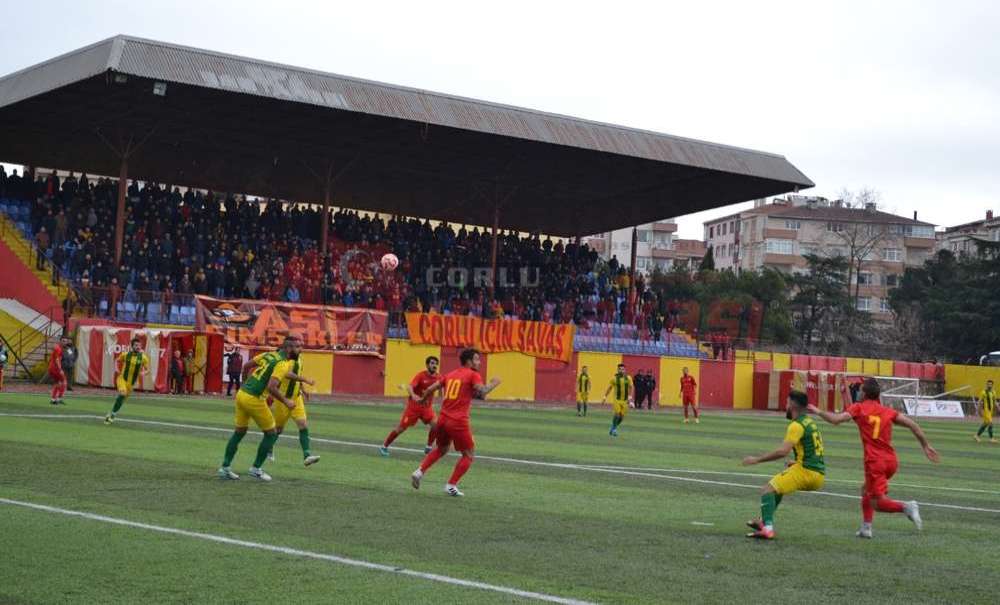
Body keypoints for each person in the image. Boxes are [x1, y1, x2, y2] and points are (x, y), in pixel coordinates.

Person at [809, 378, 939, 538]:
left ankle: (907, 506)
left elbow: (836, 420)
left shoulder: (859, 408)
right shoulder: (887, 411)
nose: (858, 392)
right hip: (891, 461)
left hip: (875, 462)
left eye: (861, 390)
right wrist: (925, 445)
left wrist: (817, 411)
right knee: (865, 490)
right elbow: (913, 425)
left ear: (864, 393)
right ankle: (866, 528)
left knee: (877, 503)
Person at [410, 348, 500, 497]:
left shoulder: (450, 374)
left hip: (443, 419)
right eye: (477, 359)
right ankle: (451, 485)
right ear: (469, 361)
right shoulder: (473, 374)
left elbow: (432, 388)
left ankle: (419, 472)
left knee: (441, 449)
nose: (479, 362)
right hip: (458, 421)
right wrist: (494, 383)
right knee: (469, 454)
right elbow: (482, 391)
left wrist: (422, 399)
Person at [742, 390, 825, 540]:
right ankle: (763, 522)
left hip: (806, 472)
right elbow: (814, 451)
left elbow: (782, 452)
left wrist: (756, 460)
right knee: (777, 489)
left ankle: (767, 529)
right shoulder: (810, 422)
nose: (785, 406)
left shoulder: (796, 425)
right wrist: (796, 462)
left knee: (767, 489)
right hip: (817, 473)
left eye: (787, 403)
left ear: (792, 405)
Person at [217, 337, 299, 482]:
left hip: (242, 395)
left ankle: (225, 467)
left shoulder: (268, 355)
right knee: (271, 433)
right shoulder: (283, 363)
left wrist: (243, 385)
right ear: (288, 349)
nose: (300, 350)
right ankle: (256, 469)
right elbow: (271, 387)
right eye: (297, 347)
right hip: (254, 398)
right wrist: (286, 401)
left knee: (239, 432)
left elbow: (246, 366)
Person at [268, 347, 320, 467]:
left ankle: (307, 456)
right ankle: (268, 449)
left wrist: (303, 390)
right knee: (278, 429)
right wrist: (305, 379)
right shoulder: (285, 361)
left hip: (296, 398)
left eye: (301, 344)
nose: (301, 347)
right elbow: (287, 374)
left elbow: (297, 376)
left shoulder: (300, 359)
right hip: (283, 400)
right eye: (298, 345)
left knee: (303, 424)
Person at [380, 356, 440, 456]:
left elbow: (443, 385)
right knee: (401, 429)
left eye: (436, 364)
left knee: (436, 425)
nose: (434, 366)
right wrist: (413, 395)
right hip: (414, 408)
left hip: (426, 408)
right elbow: (410, 386)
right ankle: (384, 446)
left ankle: (428, 447)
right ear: (427, 365)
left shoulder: (439, 377)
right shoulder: (421, 376)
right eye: (432, 363)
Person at [104, 338, 150, 424]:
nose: (138, 347)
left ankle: (112, 414)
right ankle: (112, 416)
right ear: (132, 346)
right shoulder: (126, 354)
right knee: (122, 393)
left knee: (122, 400)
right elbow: (117, 360)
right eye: (136, 345)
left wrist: (144, 373)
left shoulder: (143, 358)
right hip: (122, 379)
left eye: (139, 345)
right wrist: (116, 368)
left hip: (131, 384)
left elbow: (148, 370)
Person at [602, 363, 633, 437]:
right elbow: (610, 388)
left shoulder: (628, 378)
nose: (621, 370)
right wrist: (605, 397)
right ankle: (614, 429)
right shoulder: (614, 379)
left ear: (625, 370)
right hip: (617, 400)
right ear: (617, 370)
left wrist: (630, 397)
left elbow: (631, 387)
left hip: (625, 401)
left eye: (623, 369)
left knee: (621, 417)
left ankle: (613, 428)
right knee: (617, 414)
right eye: (620, 369)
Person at [48, 336, 71, 405]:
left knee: (58, 383)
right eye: (63, 341)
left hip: (51, 368)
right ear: (60, 341)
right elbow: (57, 359)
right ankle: (59, 398)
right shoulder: (58, 349)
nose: (65, 342)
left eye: (66, 341)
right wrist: (60, 369)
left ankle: (53, 399)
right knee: (64, 382)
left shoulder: (58, 348)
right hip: (56, 369)